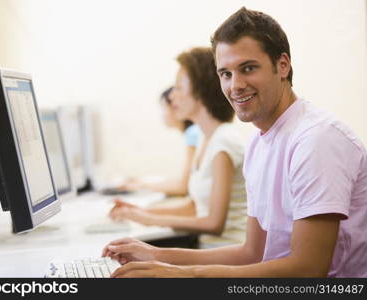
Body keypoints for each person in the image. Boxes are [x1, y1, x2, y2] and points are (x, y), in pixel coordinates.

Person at [102, 7, 367, 277]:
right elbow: (251, 253)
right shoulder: (258, 144)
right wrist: (158, 255)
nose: (235, 85)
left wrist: (182, 275)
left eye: (248, 68)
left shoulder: (316, 140)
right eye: (226, 74)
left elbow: (308, 270)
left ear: (282, 65)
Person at [110, 47, 247, 248]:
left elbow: (214, 223)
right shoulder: (204, 139)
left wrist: (150, 220)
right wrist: (138, 212)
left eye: (179, 88)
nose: (172, 97)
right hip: (207, 252)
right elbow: (194, 207)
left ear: (201, 92)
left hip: (226, 259)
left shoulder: (223, 142)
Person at [122, 86, 201, 196]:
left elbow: (183, 186)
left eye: (164, 108)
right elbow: (185, 180)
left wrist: (142, 186)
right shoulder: (195, 132)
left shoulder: (193, 134)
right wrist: (142, 183)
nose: (162, 115)